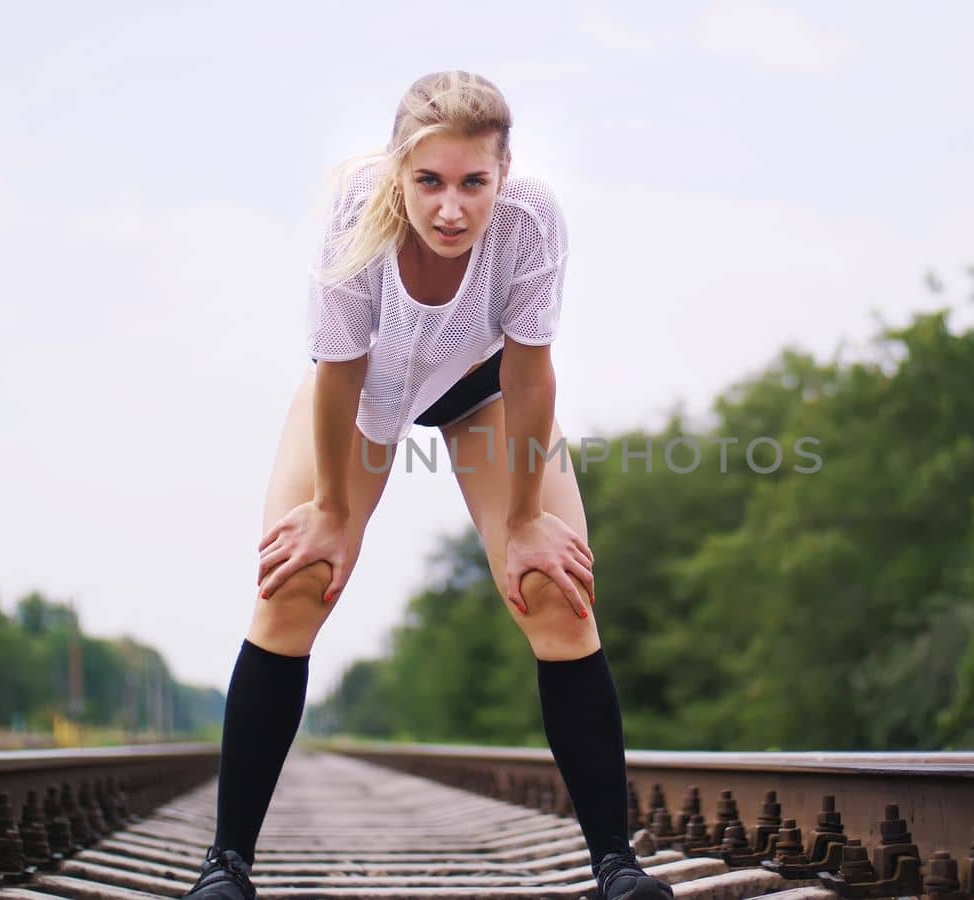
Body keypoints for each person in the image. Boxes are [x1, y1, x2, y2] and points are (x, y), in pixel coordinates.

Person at [180, 71, 675, 900]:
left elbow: (529, 376)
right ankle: (225, 866)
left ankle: (616, 867)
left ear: (502, 175)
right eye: (430, 182)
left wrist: (522, 520)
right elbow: (337, 371)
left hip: (482, 393)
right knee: (297, 579)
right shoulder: (353, 211)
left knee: (554, 589)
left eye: (474, 183)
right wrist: (334, 513)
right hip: (361, 394)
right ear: (399, 171)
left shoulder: (530, 222)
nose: (452, 209)